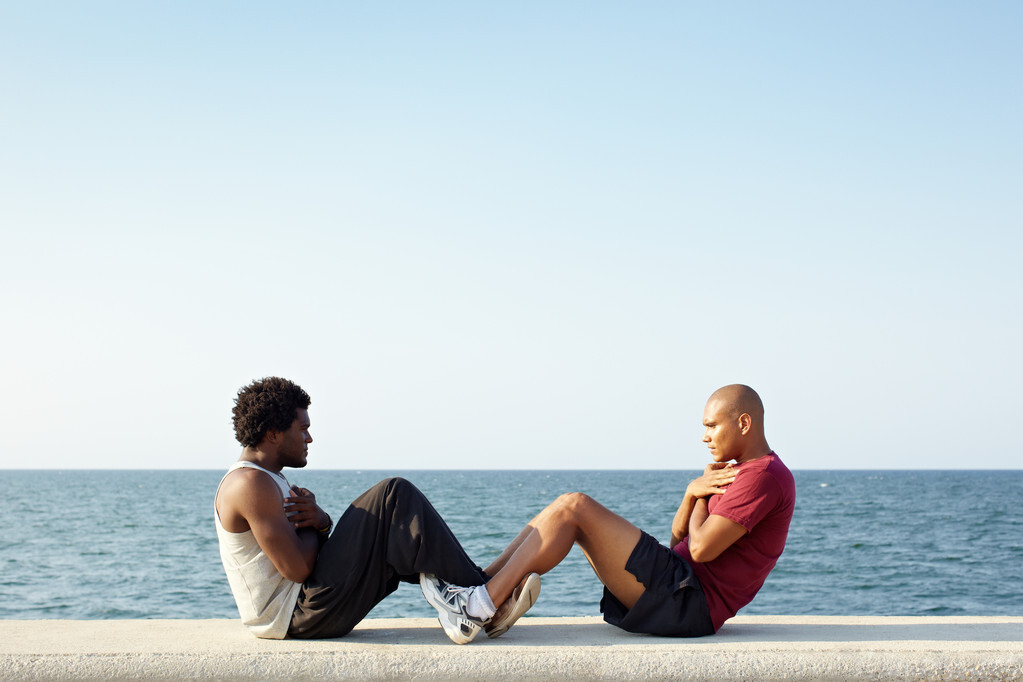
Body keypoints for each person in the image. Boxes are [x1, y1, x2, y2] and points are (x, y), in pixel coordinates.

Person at [429, 384, 795, 637]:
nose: (705, 436)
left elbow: (701, 549)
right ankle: (481, 589)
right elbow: (679, 541)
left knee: (575, 508)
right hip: (679, 582)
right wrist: (691, 494)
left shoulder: (764, 477)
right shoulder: (738, 472)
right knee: (565, 506)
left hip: (690, 603)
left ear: (743, 423)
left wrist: (700, 493)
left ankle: (477, 607)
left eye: (712, 426)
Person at [214, 376, 540, 644]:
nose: (309, 438)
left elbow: (305, 552)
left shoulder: (270, 479)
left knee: (395, 526)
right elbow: (298, 569)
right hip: (295, 616)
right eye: (302, 429)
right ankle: (483, 598)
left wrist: (323, 522)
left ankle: (472, 596)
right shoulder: (249, 484)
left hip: (310, 608)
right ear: (273, 434)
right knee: (391, 495)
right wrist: (316, 526)